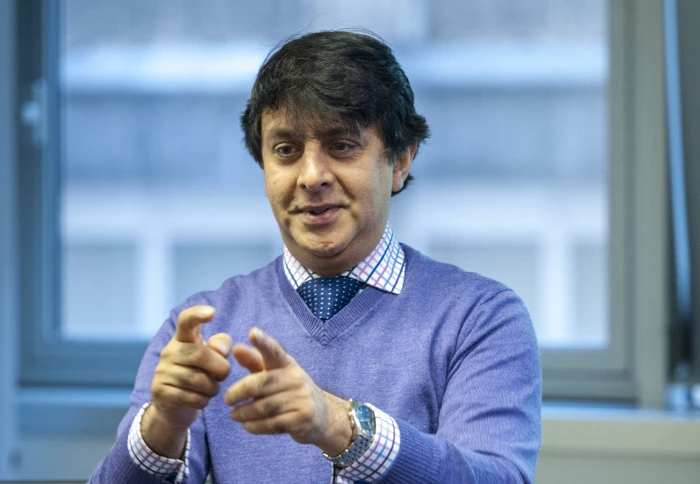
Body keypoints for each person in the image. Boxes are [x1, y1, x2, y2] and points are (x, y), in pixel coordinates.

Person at [89, 30, 541, 484]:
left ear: (401, 161)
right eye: (286, 151)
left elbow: (498, 477)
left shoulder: (480, 318)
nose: (311, 176)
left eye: (342, 145)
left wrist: (339, 427)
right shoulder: (203, 329)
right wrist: (164, 424)